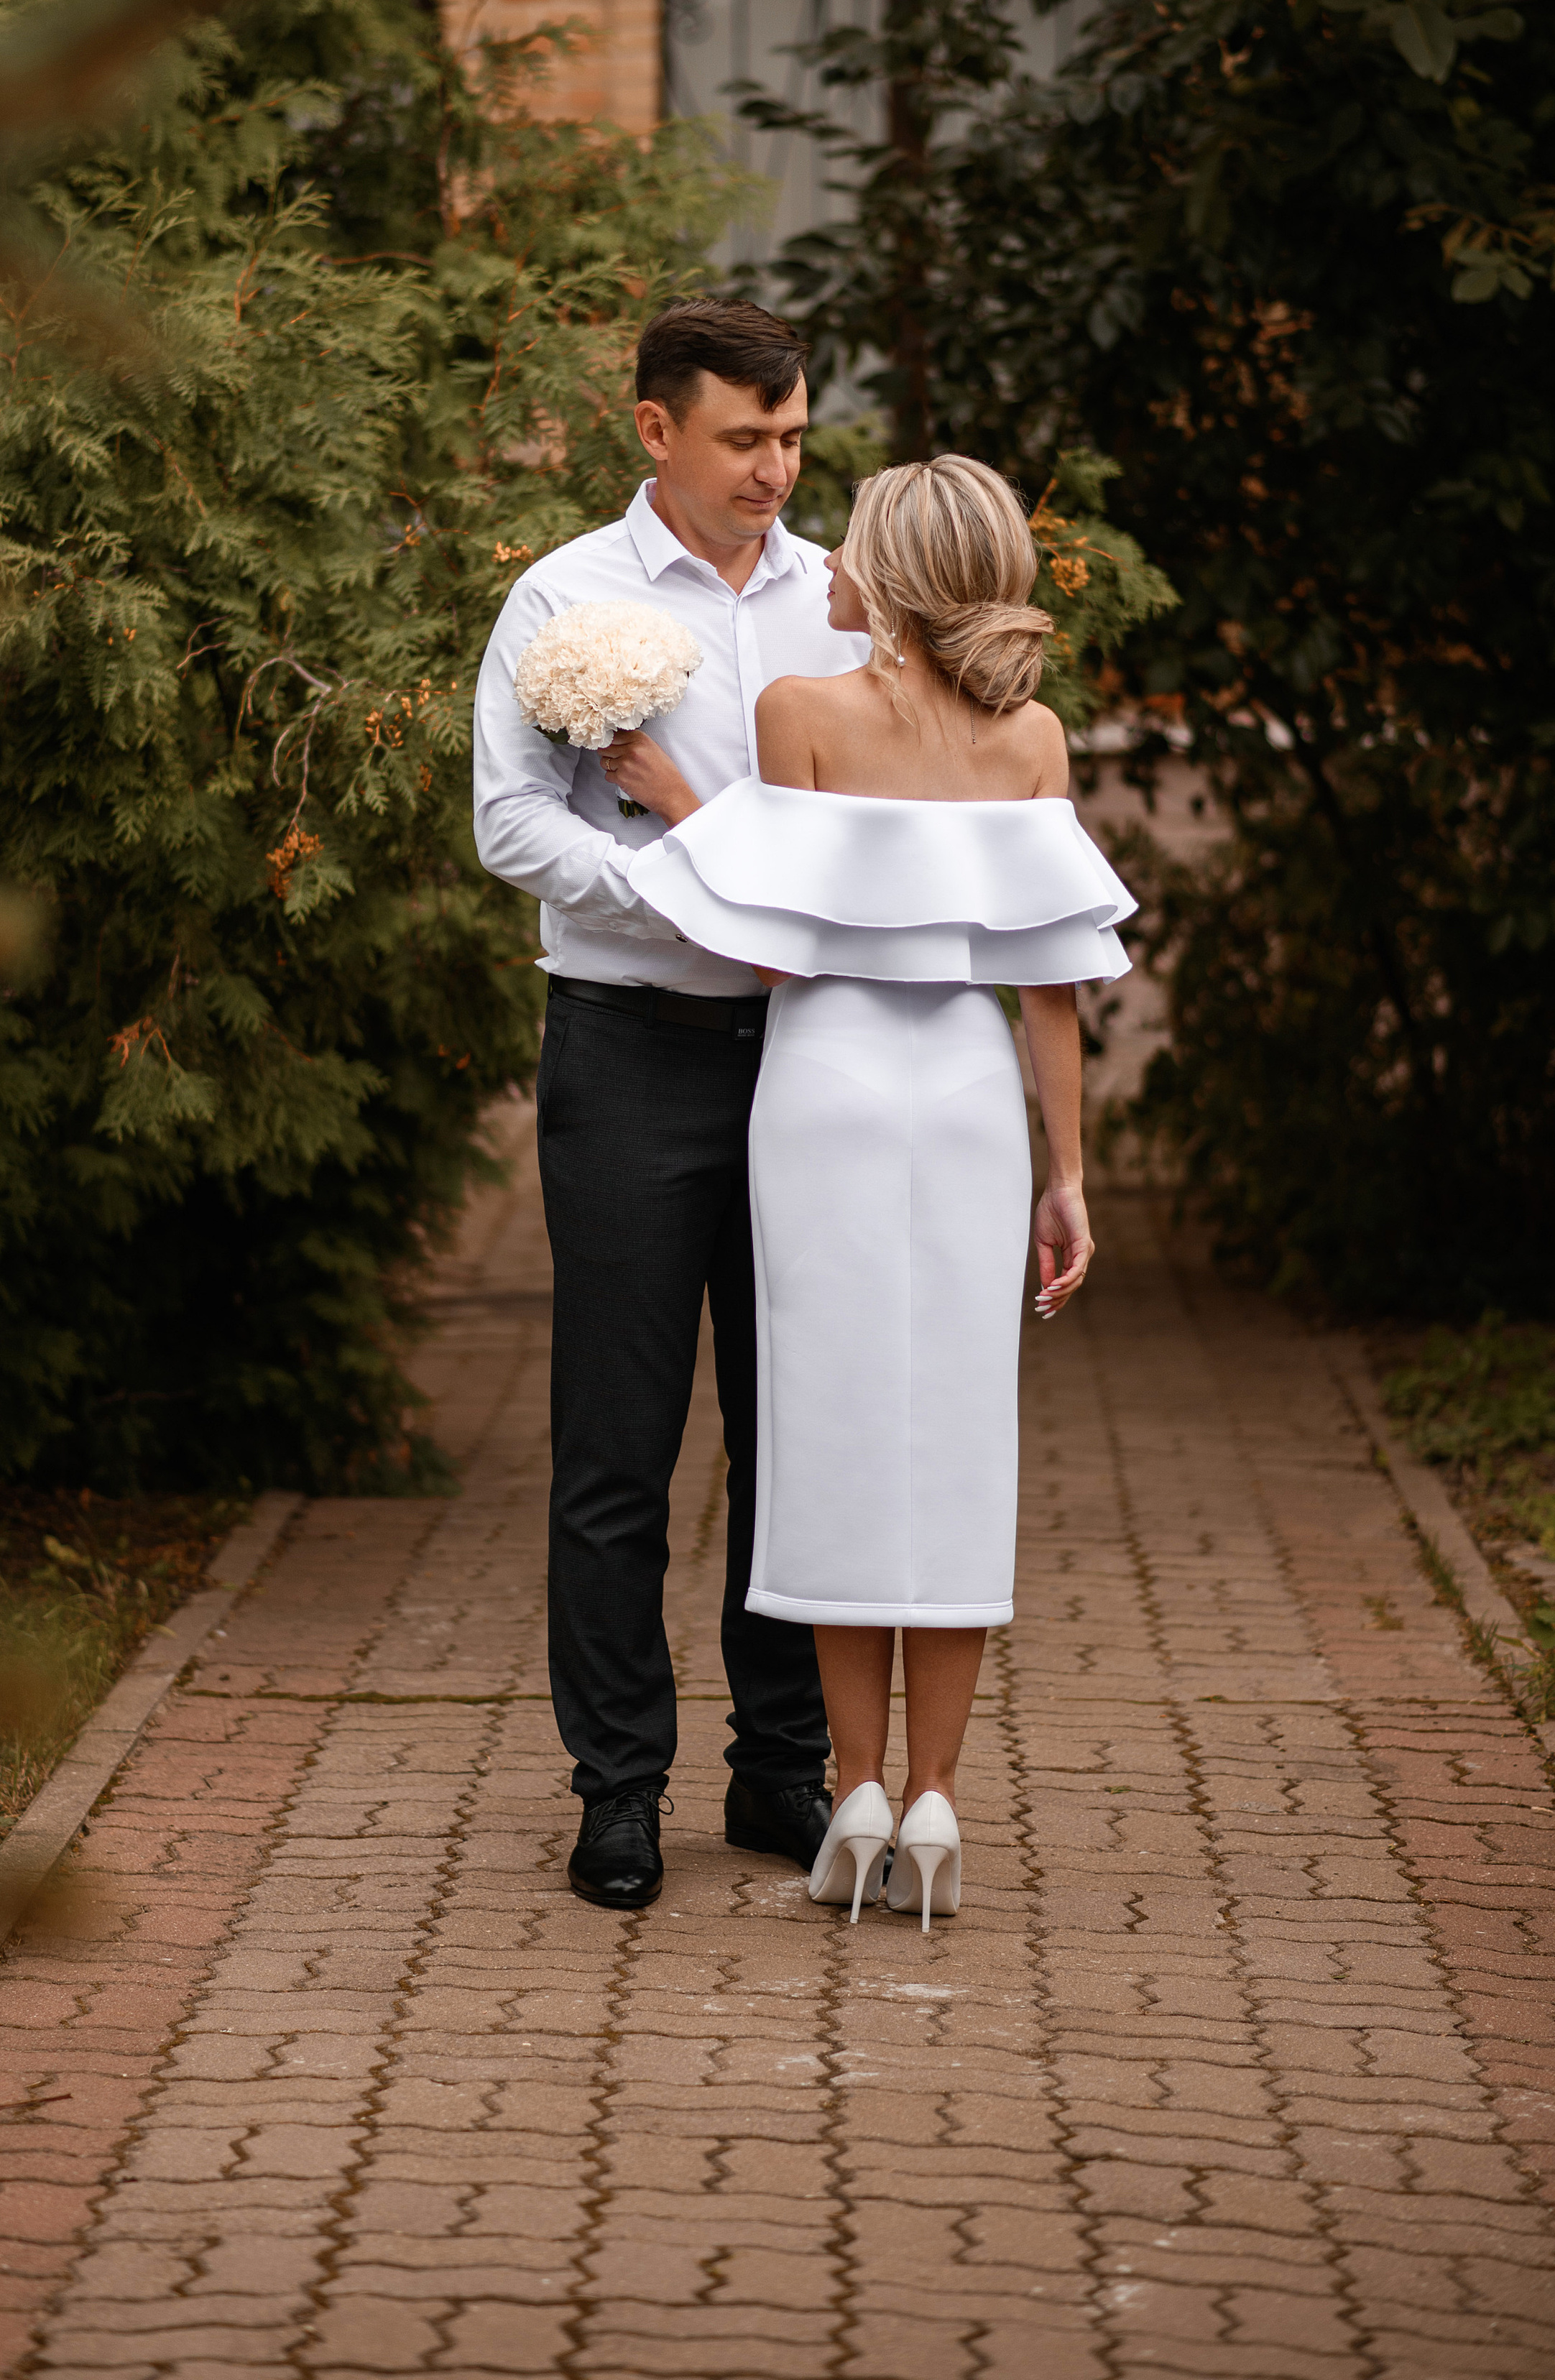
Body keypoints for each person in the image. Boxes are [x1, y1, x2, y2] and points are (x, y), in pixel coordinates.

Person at [623, 456, 1135, 1929]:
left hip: (827, 1092)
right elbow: (1051, 985)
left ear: (890, 579)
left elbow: (778, 940)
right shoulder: (1029, 737)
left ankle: (848, 1791)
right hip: (969, 1101)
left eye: (842, 545)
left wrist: (675, 795)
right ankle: (933, 1804)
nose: (820, 562)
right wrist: (1068, 1176)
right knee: (960, 1440)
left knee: (837, 1431)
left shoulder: (799, 715)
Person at [472, 297, 866, 1912]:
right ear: (656, 431)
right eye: (743, 437)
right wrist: (691, 897)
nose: (775, 466)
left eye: (789, 436)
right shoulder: (562, 599)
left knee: (794, 1430)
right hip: (628, 1051)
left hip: (811, 1057)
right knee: (617, 1444)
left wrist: (759, 891)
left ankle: (779, 1770)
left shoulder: (845, 602)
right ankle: (615, 1786)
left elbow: (877, 822)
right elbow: (512, 825)